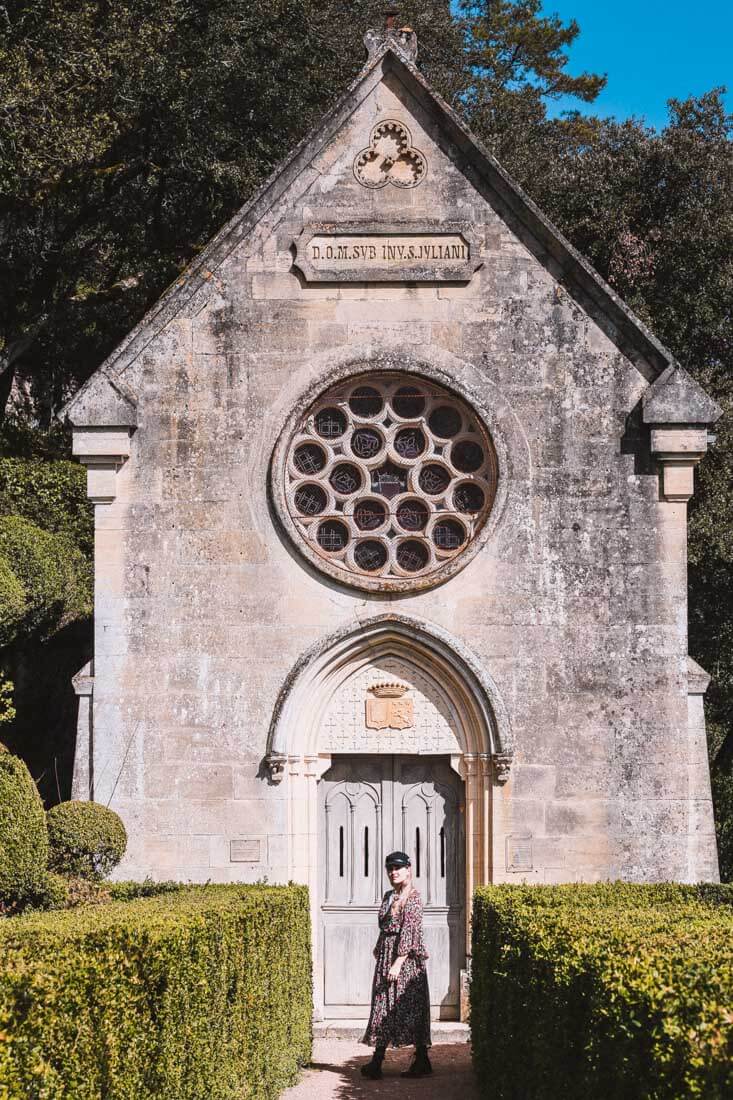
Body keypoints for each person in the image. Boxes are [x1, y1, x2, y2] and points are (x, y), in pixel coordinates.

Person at [361, 850, 432, 1079]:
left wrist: (397, 963)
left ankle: (421, 1060)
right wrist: (379, 948)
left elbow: (410, 932)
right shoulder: (388, 896)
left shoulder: (413, 898)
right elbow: (386, 927)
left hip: (406, 963)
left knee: (410, 1008)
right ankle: (377, 1062)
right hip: (386, 957)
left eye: (398, 868)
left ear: (408, 869)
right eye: (390, 868)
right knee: (382, 1007)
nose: (393, 872)